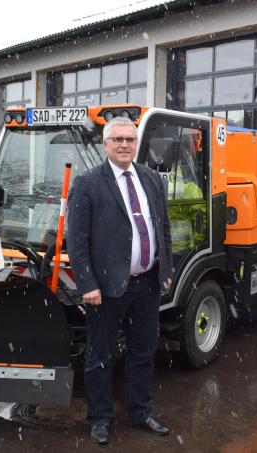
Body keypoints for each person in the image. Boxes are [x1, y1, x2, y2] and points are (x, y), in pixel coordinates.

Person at [67, 117, 174, 446]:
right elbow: (77, 240)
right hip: (105, 288)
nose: (125, 144)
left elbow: (163, 228)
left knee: (142, 353)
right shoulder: (87, 183)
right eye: (118, 139)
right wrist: (87, 284)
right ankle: (100, 418)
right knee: (100, 356)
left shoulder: (151, 179)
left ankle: (141, 413)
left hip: (147, 285)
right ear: (106, 144)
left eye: (130, 139)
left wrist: (166, 269)